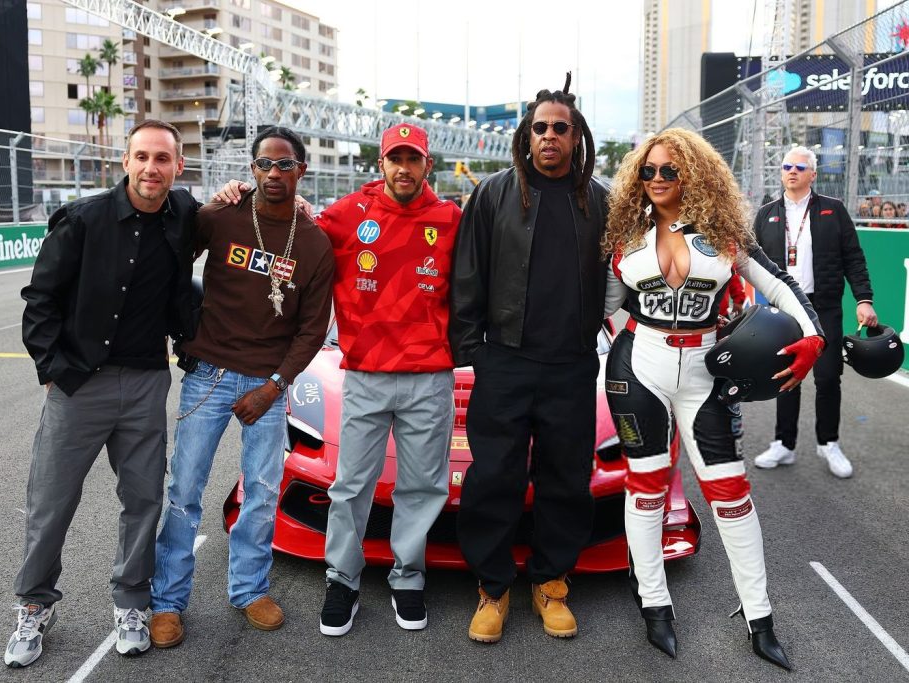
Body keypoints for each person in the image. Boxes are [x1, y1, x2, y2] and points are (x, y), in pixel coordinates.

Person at [215, 124, 462, 637]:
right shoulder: (348, 215)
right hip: (367, 376)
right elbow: (289, 227)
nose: (403, 168)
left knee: (422, 486)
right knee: (352, 485)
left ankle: (408, 577)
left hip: (429, 376)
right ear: (381, 164)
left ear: (427, 165)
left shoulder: (451, 219)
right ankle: (343, 580)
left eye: (412, 159)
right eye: (395, 158)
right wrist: (240, 196)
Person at [602, 128, 824, 670]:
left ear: (693, 174)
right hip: (640, 366)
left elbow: (778, 285)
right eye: (648, 171)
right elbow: (602, 310)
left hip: (705, 371)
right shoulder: (624, 234)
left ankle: (760, 616)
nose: (656, 179)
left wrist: (811, 334)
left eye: (669, 171)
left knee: (731, 493)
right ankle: (654, 603)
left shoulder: (724, 231)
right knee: (647, 485)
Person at [8, 120, 198, 667]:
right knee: (50, 504)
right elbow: (40, 297)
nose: (150, 168)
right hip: (79, 384)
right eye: (141, 156)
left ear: (178, 166)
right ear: (125, 161)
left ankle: (132, 603)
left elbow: (242, 211)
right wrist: (52, 368)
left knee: (142, 501)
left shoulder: (184, 215)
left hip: (145, 383)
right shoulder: (84, 219)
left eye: (162, 158)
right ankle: (34, 606)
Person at [147, 126, 335, 647]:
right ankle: (167, 602)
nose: (273, 174)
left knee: (261, 492)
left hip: (268, 384)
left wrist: (274, 387)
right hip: (208, 375)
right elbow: (167, 254)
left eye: (283, 165)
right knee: (184, 492)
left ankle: (249, 589)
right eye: (263, 165)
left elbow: (312, 329)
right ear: (251, 170)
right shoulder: (222, 217)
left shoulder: (315, 242)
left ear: (302, 170)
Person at [449, 74, 609, 644]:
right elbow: (467, 275)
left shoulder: (600, 199)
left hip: (570, 364)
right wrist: (475, 355)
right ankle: (493, 587)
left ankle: (550, 582)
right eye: (539, 127)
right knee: (494, 477)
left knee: (566, 478)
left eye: (559, 128)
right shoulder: (493, 192)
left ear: (576, 136)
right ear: (526, 135)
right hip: (505, 362)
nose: (549, 137)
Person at [753, 146, 877, 478]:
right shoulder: (765, 214)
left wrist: (863, 299)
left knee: (827, 377)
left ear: (813, 174)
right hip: (784, 311)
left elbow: (853, 258)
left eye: (800, 166)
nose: (792, 171)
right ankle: (784, 443)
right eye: (787, 165)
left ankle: (829, 443)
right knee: (785, 376)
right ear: (781, 172)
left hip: (824, 307)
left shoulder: (833, 211)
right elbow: (751, 264)